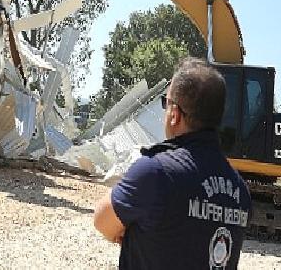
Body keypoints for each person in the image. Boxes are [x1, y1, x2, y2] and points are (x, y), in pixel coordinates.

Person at [93, 58, 251, 270]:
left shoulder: (155, 172)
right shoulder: (240, 191)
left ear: (175, 115)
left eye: (165, 104)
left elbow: (102, 221)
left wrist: (132, 228)